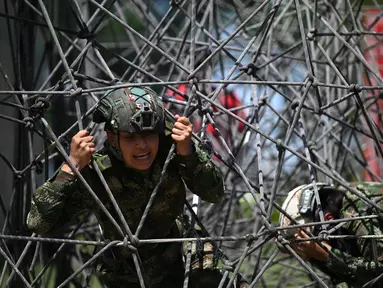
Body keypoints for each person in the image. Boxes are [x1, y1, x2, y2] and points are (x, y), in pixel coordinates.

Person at [26, 86, 227, 288]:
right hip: (127, 273)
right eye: (130, 137)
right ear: (112, 137)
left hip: (179, 258)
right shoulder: (99, 174)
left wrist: (188, 153)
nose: (142, 145)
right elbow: (39, 223)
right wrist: (71, 167)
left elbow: (215, 193)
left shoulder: (172, 153)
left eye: (149, 134)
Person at [279, 182, 383, 288]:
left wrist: (328, 256)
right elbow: (346, 279)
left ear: (329, 218)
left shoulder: (358, 212)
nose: (311, 245)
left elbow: (379, 278)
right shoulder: (339, 203)